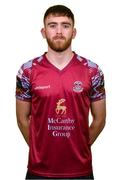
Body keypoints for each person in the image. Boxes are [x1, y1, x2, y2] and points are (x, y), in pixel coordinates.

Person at [16, 5, 106, 180]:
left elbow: (100, 119)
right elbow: (21, 119)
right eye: (52, 25)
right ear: (43, 32)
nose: (59, 31)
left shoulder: (92, 71)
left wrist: (81, 147)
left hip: (80, 171)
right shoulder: (27, 71)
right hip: (39, 171)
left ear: (74, 32)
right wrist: (39, 149)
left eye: (65, 25)